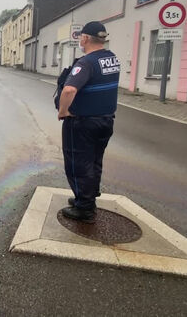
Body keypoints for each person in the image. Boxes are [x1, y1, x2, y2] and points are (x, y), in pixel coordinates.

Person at [57, 21, 120, 224]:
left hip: (82, 123)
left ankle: (84, 208)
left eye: (80, 38)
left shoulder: (86, 63)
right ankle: (87, 195)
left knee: (77, 163)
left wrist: (64, 111)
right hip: (105, 121)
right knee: (94, 161)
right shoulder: (112, 59)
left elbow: (69, 90)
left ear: (85, 38)